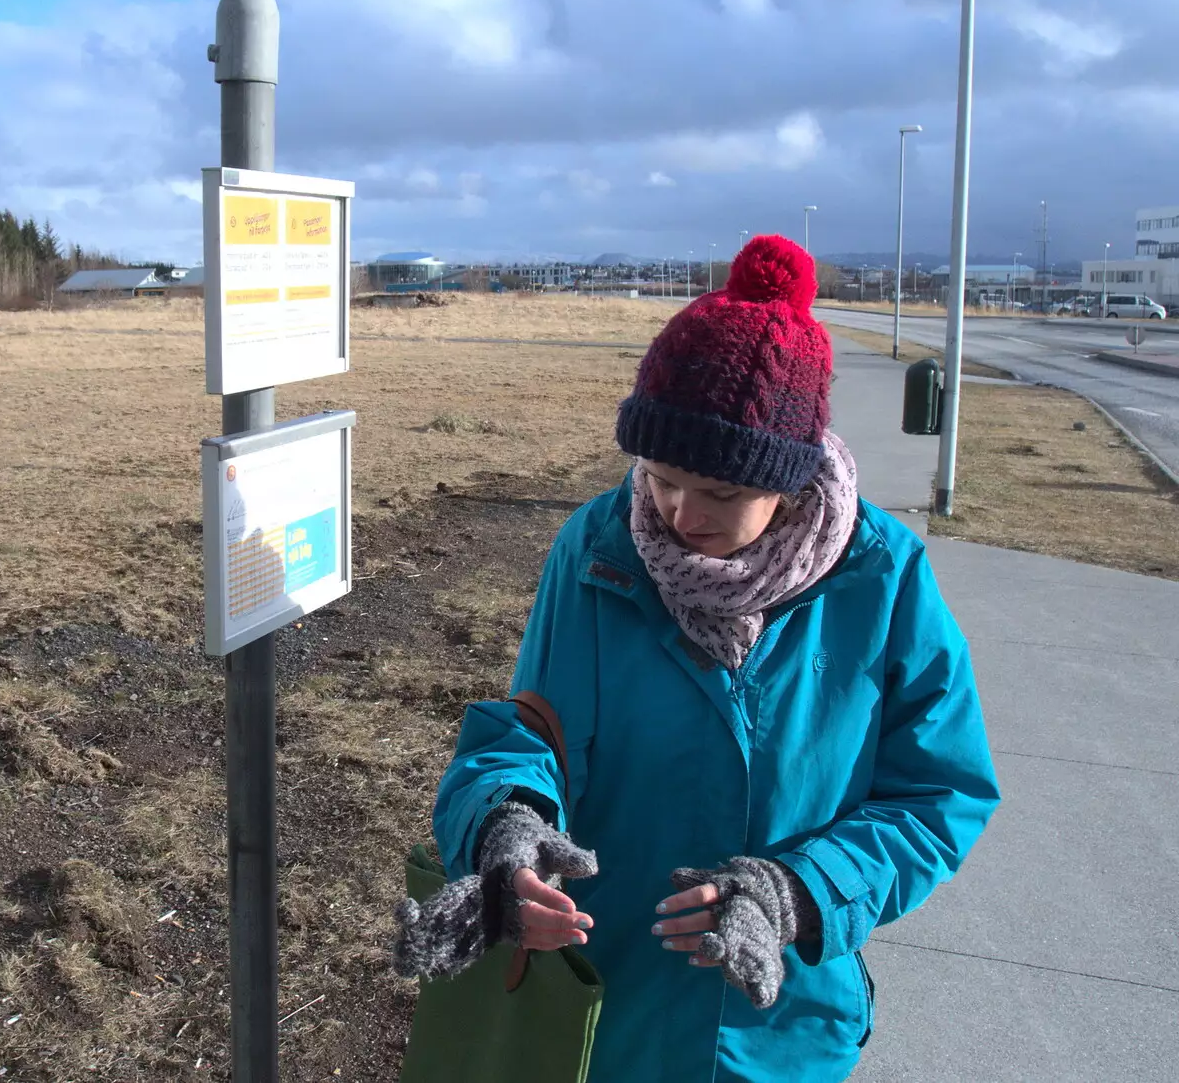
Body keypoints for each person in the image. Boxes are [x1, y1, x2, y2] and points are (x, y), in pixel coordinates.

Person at [393, 235, 1001, 1081]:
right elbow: (530, 735)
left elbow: (941, 793)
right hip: (605, 1012)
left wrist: (798, 894)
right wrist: (505, 826)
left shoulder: (884, 576)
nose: (681, 512)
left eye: (722, 491)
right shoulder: (598, 550)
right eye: (664, 474)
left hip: (777, 1028)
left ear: (790, 485)